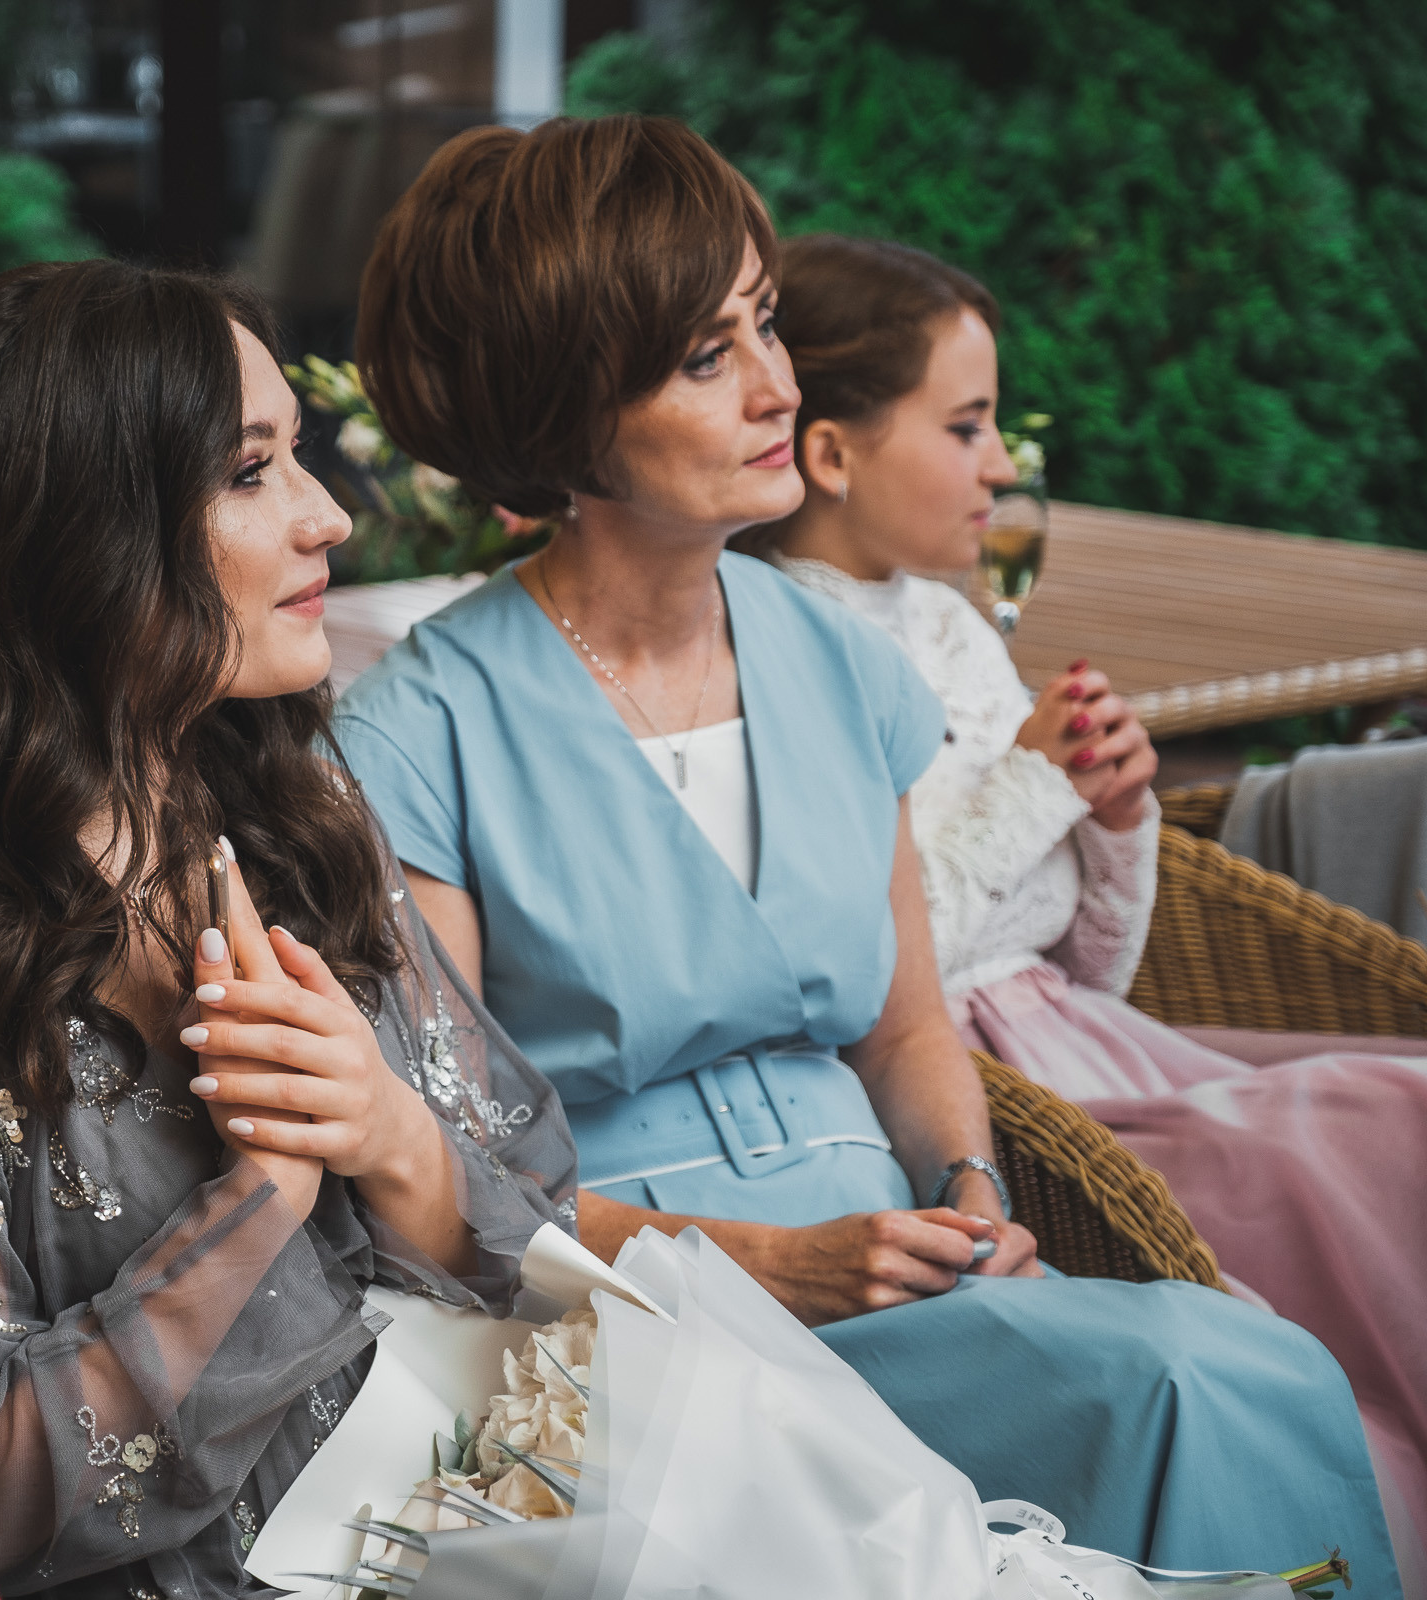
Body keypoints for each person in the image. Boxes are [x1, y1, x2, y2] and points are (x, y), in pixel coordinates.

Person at [333, 114, 1400, 1585]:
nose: (779, 384)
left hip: (901, 1261)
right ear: (566, 409)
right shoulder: (421, 726)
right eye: (709, 357)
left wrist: (972, 1188)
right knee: (1183, 1381)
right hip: (632, 1320)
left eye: (764, 323)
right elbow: (435, 1173)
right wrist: (760, 1263)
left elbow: (906, 1021)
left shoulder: (840, 657)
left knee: (1262, 1366)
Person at [0, 258, 574, 1598]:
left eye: (300, 458)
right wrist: (262, 1201)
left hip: (460, 1523)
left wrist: (386, 1134)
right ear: (73, 531)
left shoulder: (293, 802)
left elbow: (534, 1218)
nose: (329, 519)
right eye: (250, 473)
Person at [753, 230, 1427, 1586]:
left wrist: (1115, 822)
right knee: (1375, 1127)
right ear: (831, 455)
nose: (1002, 465)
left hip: (1097, 1040)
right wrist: (1034, 786)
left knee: (1397, 1097)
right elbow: (860, 966)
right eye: (968, 425)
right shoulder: (774, 648)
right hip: (988, 1093)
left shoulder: (945, 627)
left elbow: (1094, 964)